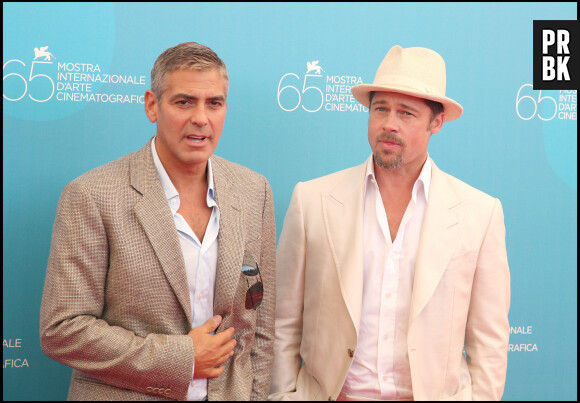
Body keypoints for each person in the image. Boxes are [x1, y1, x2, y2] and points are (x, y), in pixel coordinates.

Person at [269, 45, 510, 401]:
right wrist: (284, 394)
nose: (389, 124)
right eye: (380, 108)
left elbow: (490, 340)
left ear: (436, 122)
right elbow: (282, 323)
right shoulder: (313, 200)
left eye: (407, 113)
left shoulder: (480, 212)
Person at [40, 42, 276, 401]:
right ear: (152, 105)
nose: (201, 118)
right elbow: (63, 330)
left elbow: (259, 329)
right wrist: (182, 358)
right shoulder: (92, 195)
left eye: (214, 103)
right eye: (184, 102)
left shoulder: (253, 189)